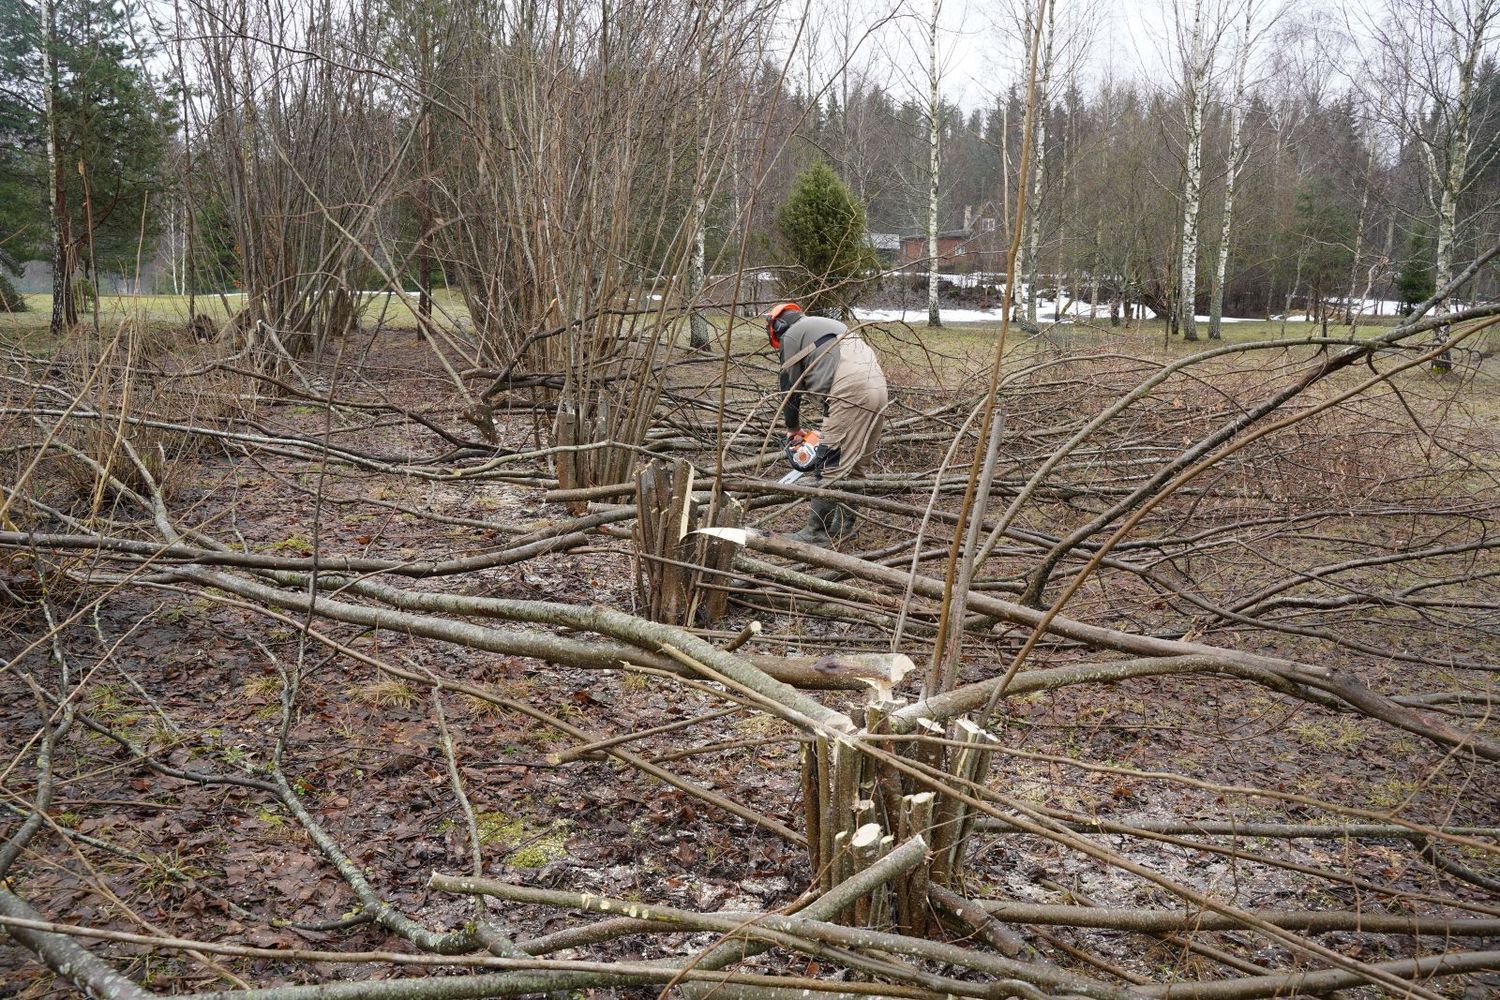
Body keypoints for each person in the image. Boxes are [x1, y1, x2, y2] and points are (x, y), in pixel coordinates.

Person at [766, 302, 889, 545]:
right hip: (878, 388)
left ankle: (815, 533)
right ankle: (843, 527)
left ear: (777, 326)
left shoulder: (792, 334)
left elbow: (789, 388)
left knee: (828, 464)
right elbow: (834, 370)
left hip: (849, 391)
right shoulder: (832, 326)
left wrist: (792, 428)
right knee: (856, 465)